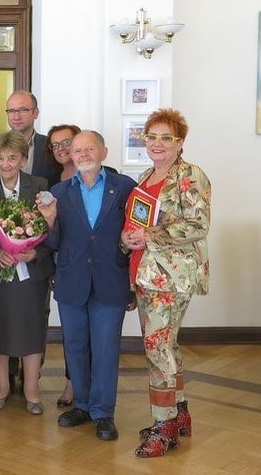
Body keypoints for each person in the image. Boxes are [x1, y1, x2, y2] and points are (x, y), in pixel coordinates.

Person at [35, 130, 137, 442]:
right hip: (72, 281)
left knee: (106, 349)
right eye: (77, 150)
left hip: (110, 280)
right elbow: (52, 242)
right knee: (75, 347)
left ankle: (103, 412)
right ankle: (81, 404)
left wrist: (132, 282)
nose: (82, 154)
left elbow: (135, 234)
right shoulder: (60, 192)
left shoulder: (125, 188)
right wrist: (49, 220)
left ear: (104, 152)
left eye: (89, 148)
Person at [121, 109, 210, 458]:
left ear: (180, 143)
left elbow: (198, 225)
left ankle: (164, 425)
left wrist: (149, 236)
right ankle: (180, 413)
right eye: (152, 136)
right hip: (146, 273)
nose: (157, 143)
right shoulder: (146, 176)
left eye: (166, 138)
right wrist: (128, 239)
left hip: (172, 277)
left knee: (157, 348)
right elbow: (137, 224)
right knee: (166, 346)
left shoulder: (190, 176)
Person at [0, 131, 54, 415]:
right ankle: (2, 387)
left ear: (23, 159)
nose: (6, 164)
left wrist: (35, 252)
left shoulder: (40, 186)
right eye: (0, 158)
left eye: (12, 158)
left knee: (32, 331)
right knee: (0, 331)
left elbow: (52, 232)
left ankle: (32, 389)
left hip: (31, 272)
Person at [45, 123, 82, 406]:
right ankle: (72, 382)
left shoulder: (102, 177)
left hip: (94, 264)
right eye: (55, 145)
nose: (61, 149)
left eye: (65, 142)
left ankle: (91, 387)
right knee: (72, 329)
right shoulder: (53, 182)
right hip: (63, 262)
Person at [0, 91, 55, 181]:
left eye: (23, 110)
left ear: (36, 113)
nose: (16, 117)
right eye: (12, 111)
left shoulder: (50, 145)